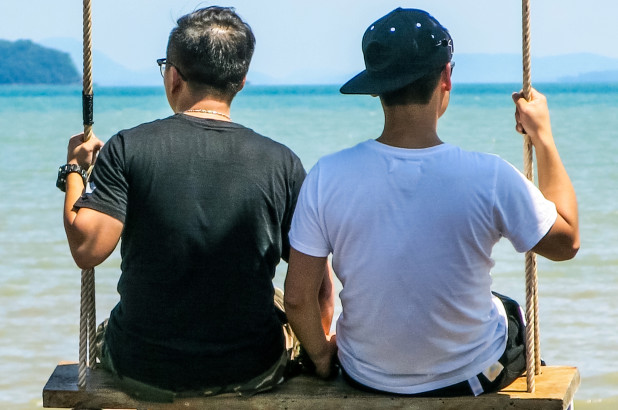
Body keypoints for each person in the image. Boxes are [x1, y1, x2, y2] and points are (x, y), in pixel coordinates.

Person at [284, 7, 579, 397]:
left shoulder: (327, 175)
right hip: (465, 380)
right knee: (509, 313)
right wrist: (543, 138)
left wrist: (323, 359)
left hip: (365, 377)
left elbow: (297, 298)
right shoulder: (489, 175)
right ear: (446, 77)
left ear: (375, 87)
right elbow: (566, 242)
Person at [58, 6, 310, 401]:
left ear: (173, 76)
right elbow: (312, 283)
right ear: (241, 81)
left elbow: (88, 248)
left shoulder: (127, 148)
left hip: (143, 367)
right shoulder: (283, 163)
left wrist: (74, 168)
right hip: (249, 369)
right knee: (277, 305)